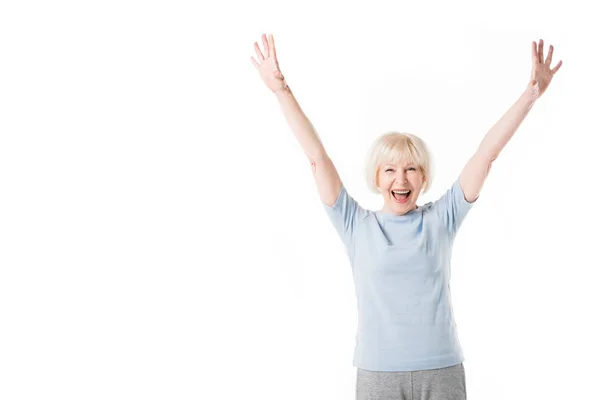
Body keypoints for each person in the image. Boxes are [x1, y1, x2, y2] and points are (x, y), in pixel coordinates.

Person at [251, 33, 562, 400]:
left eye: (412, 169)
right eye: (390, 170)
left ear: (424, 177)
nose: (401, 179)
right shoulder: (355, 224)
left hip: (442, 370)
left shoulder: (442, 218)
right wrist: (280, 90)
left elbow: (485, 155)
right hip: (378, 373)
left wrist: (530, 95)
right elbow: (317, 157)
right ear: (377, 177)